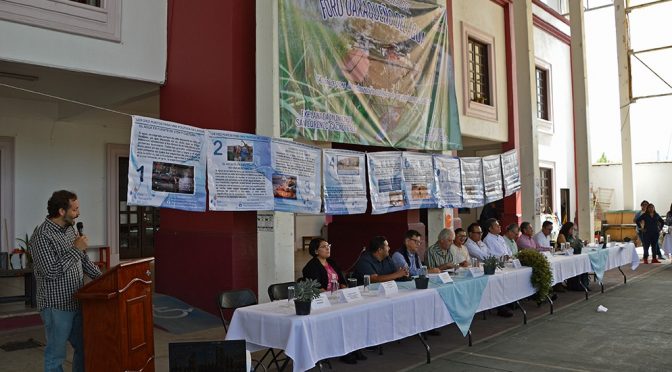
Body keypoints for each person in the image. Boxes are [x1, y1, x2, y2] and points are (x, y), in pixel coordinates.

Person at [29, 190, 102, 372]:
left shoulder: (70, 228)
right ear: (62, 211)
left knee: (85, 348)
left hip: (77, 301)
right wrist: (76, 250)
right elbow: (51, 272)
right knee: (56, 356)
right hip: (56, 307)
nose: (78, 213)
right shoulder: (41, 237)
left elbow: (83, 260)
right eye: (75, 209)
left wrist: (104, 278)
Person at [556, 222, 589, 291]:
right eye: (571, 229)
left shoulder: (571, 236)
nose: (572, 231)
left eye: (573, 229)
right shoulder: (561, 236)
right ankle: (575, 284)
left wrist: (577, 239)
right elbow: (567, 246)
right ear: (567, 229)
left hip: (571, 256)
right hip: (563, 257)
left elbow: (577, 244)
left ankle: (582, 283)